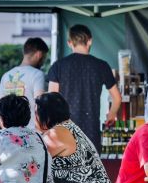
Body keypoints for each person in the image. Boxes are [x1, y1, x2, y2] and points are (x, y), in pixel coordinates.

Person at [35, 92, 118, 183]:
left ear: (45, 114)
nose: (34, 119)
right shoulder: (70, 128)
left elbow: (31, 161)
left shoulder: (57, 133)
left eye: (36, 113)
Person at [47, 24, 122, 154]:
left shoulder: (58, 66)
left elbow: (50, 101)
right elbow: (117, 98)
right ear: (90, 41)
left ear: (70, 43)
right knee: (91, 171)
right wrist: (111, 114)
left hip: (64, 131)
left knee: (66, 171)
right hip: (91, 131)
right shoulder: (101, 66)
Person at [0, 37, 50, 129]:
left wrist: (6, 131)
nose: (43, 62)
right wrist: (41, 132)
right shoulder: (37, 75)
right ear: (39, 54)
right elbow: (40, 105)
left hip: (10, 136)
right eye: (44, 58)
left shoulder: (6, 76)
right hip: (32, 134)